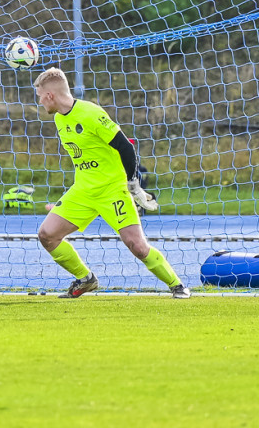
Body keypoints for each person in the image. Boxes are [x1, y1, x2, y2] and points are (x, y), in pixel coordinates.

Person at [33, 67, 190, 299]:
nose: (39, 102)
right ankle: (86, 279)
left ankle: (177, 285)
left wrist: (133, 183)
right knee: (47, 235)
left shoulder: (90, 113)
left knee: (137, 246)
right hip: (83, 191)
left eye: (39, 96)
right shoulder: (58, 118)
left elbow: (126, 147)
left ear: (50, 95)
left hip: (112, 190)